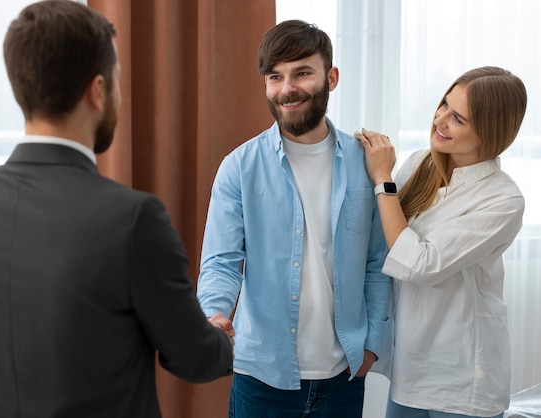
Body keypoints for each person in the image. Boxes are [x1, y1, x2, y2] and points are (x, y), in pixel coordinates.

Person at [0, 1, 234, 417]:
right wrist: (222, 341)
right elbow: (193, 358)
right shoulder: (133, 219)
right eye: (118, 80)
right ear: (98, 90)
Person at [196, 19, 392, 417]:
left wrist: (373, 342)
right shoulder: (239, 167)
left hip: (344, 376)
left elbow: (378, 262)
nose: (287, 89)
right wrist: (213, 314)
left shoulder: (365, 163)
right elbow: (221, 261)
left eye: (302, 72)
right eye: (275, 77)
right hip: (261, 378)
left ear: (331, 77)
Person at [355, 66, 527, 418]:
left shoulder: (503, 198)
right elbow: (384, 238)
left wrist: (383, 179)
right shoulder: (420, 164)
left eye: (458, 118)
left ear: (489, 132)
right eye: (444, 106)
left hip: (463, 380)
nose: (440, 120)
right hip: (411, 368)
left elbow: (421, 264)